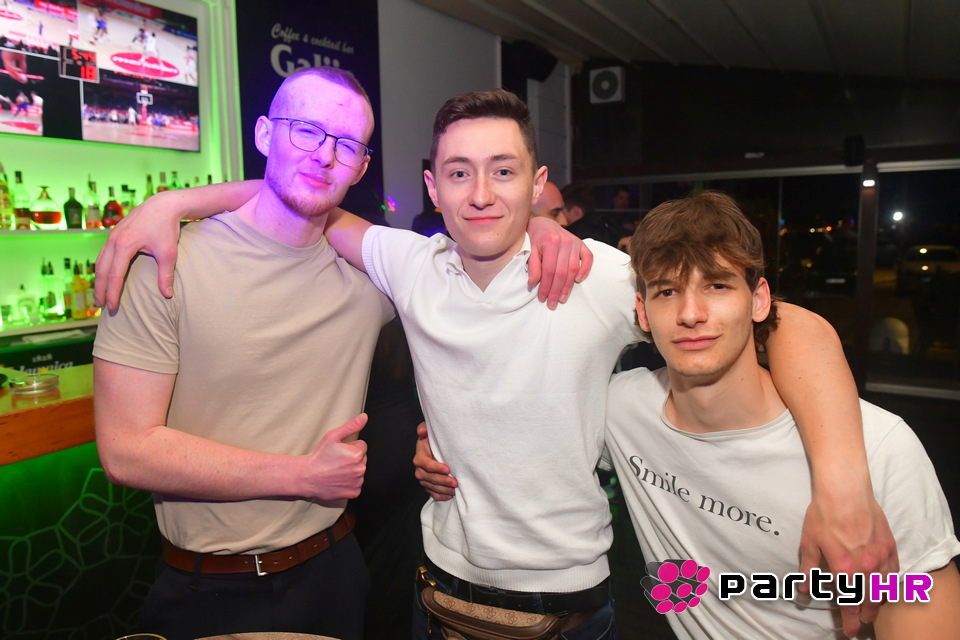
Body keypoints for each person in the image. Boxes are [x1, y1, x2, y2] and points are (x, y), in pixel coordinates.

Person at [95, 89, 896, 640]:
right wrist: (173, 203)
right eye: (459, 173)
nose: (481, 193)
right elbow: (305, 195)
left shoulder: (594, 275)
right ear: (431, 187)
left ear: (538, 184)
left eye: (504, 171)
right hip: (438, 596)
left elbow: (781, 325)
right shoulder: (409, 265)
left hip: (570, 607)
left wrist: (842, 483)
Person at [419, 191, 959, 639]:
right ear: (641, 312)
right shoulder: (620, 410)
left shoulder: (876, 451)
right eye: (667, 291)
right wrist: (442, 439)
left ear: (760, 300)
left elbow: (921, 613)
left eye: (717, 285)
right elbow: (520, 424)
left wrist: (840, 488)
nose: (692, 313)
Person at [93, 67, 396, 640]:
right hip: (208, 590)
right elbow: (125, 451)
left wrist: (547, 232)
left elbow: (472, 259)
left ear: (360, 167)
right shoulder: (165, 264)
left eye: (347, 144)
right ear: (263, 134)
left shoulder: (369, 281)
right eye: (305, 130)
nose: (325, 155)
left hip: (334, 573)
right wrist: (302, 476)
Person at [562, 181, 623, 248]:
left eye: (561, 212)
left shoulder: (574, 238)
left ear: (576, 212)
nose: (560, 219)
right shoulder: (608, 225)